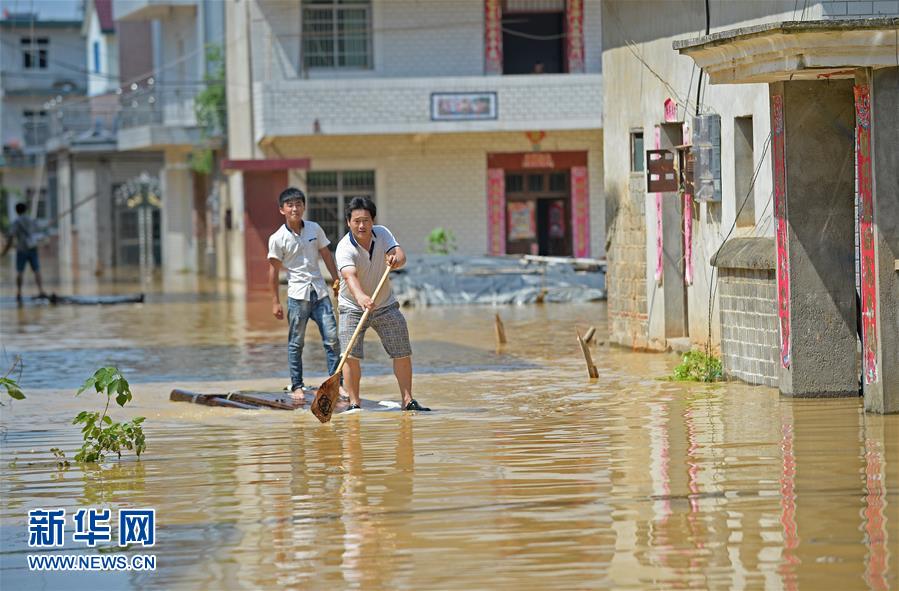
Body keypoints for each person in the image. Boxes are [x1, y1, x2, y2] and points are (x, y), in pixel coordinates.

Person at [335, 196, 429, 412]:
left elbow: (400, 255)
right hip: (352, 306)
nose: (362, 225)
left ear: (373, 220)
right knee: (350, 356)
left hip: (384, 304)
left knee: (402, 351)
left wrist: (396, 259)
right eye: (356, 220)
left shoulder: (383, 234)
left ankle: (408, 400)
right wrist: (361, 298)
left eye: (366, 220)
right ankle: (354, 403)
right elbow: (349, 277)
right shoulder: (344, 248)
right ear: (348, 222)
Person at [268, 187, 342, 405]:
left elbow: (326, 255)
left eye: (298, 204)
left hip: (319, 292)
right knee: (296, 343)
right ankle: (297, 385)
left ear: (304, 207)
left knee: (332, 339)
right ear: (282, 209)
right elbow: (272, 270)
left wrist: (336, 281)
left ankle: (337, 383)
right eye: (290, 205)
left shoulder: (314, 229)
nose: (295, 208)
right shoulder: (277, 238)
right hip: (297, 296)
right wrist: (275, 302)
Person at [2, 202, 48, 303]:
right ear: (25, 210)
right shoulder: (31, 220)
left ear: (16, 211)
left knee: (20, 272)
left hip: (22, 250)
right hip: (32, 249)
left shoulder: (16, 222)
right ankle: (41, 290)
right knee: (37, 270)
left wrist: (4, 252)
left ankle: (19, 292)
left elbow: (11, 236)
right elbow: (39, 232)